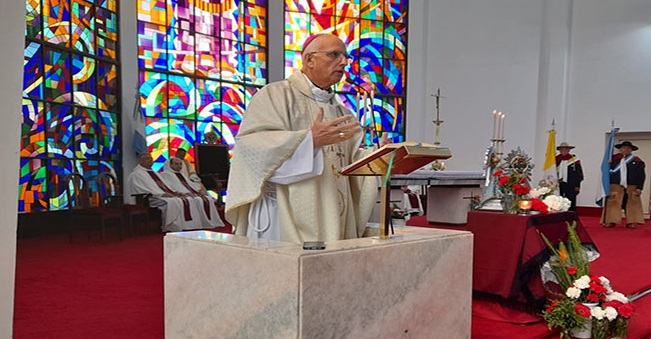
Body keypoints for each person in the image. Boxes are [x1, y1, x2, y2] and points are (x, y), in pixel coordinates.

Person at [225, 34, 386, 244]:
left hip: (332, 209)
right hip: (283, 212)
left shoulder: (341, 111)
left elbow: (352, 161)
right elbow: (251, 146)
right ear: (310, 59)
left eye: (345, 56)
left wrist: (378, 156)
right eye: (334, 54)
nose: (344, 62)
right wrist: (309, 141)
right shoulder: (275, 95)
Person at [127, 152, 222, 232]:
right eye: (147, 159)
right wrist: (161, 194)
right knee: (177, 201)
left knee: (186, 199)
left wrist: (175, 193)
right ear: (140, 161)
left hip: (163, 195)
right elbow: (141, 189)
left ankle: (191, 225)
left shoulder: (154, 173)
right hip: (151, 198)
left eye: (151, 158)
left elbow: (167, 186)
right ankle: (171, 226)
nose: (151, 160)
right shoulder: (136, 174)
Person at [162, 157, 224, 228]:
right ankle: (188, 225)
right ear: (170, 165)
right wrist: (183, 193)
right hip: (180, 195)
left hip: (189, 193)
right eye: (176, 164)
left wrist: (198, 191)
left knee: (207, 199)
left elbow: (190, 184)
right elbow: (170, 187)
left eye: (180, 164)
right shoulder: (166, 175)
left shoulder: (182, 174)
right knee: (192, 200)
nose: (179, 166)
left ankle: (207, 222)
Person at [602, 141, 646, 229]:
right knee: (613, 203)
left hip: (631, 187)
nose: (626, 149)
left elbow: (641, 175)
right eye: (624, 147)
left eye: (628, 148)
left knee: (631, 204)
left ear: (631, 150)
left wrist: (639, 187)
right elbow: (606, 173)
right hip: (615, 185)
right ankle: (611, 221)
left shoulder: (636, 161)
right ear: (620, 149)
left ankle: (631, 222)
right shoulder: (612, 160)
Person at [555, 142, 584, 211]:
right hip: (559, 183)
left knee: (571, 200)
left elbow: (579, 173)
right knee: (558, 200)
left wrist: (577, 185)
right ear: (559, 150)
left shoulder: (574, 160)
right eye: (562, 149)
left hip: (571, 184)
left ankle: (571, 214)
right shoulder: (556, 160)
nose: (564, 151)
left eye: (566, 149)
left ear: (569, 150)